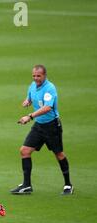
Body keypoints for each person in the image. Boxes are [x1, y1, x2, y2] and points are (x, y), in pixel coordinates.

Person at [11, 65, 73, 195]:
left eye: (38, 76)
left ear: (44, 75)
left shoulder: (50, 88)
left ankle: (68, 184)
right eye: (34, 75)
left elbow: (47, 108)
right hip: (39, 126)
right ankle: (27, 185)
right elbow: (30, 96)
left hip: (52, 126)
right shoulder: (32, 86)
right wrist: (27, 100)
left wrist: (30, 116)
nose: (36, 78)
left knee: (59, 154)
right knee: (25, 151)